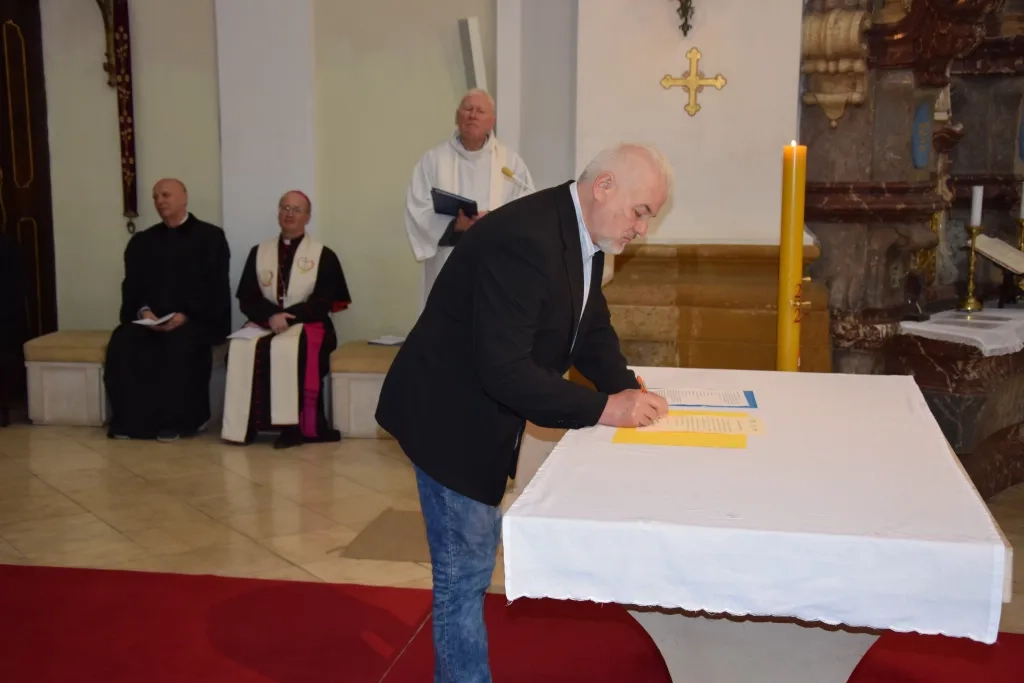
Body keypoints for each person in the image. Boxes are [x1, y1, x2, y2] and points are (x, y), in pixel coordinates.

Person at [376, 143, 674, 683]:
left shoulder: (579, 231)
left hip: (480, 409)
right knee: (464, 576)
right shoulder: (526, 239)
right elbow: (505, 372)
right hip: (448, 418)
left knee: (472, 561)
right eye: (640, 212)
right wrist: (607, 408)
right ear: (604, 187)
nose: (642, 229)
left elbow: (590, 325)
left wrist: (624, 386)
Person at [221, 190, 351, 449]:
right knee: (239, 348)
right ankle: (246, 425)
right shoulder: (259, 252)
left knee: (293, 351)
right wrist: (270, 316)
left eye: (297, 210)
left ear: (308, 217)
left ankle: (293, 428)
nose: (289, 214)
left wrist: (288, 318)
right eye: (285, 208)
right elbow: (247, 297)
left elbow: (323, 301)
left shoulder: (323, 255)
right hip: (266, 322)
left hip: (309, 323)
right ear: (278, 213)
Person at [105, 178, 232, 442]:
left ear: (184, 197)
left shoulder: (210, 237)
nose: (160, 201)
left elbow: (215, 286)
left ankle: (178, 422)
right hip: (150, 320)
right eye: (155, 197)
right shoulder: (143, 241)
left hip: (194, 319)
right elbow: (132, 286)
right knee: (123, 340)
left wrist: (184, 315)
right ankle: (130, 421)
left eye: (166, 195)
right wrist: (143, 312)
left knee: (178, 345)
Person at [404, 88, 534, 307]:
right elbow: (417, 209)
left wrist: (492, 221)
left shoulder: (510, 164)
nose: (473, 115)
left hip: (495, 267)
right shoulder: (433, 161)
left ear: (491, 121)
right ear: (457, 116)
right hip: (447, 265)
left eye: (480, 111)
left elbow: (527, 212)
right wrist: (454, 226)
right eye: (468, 109)